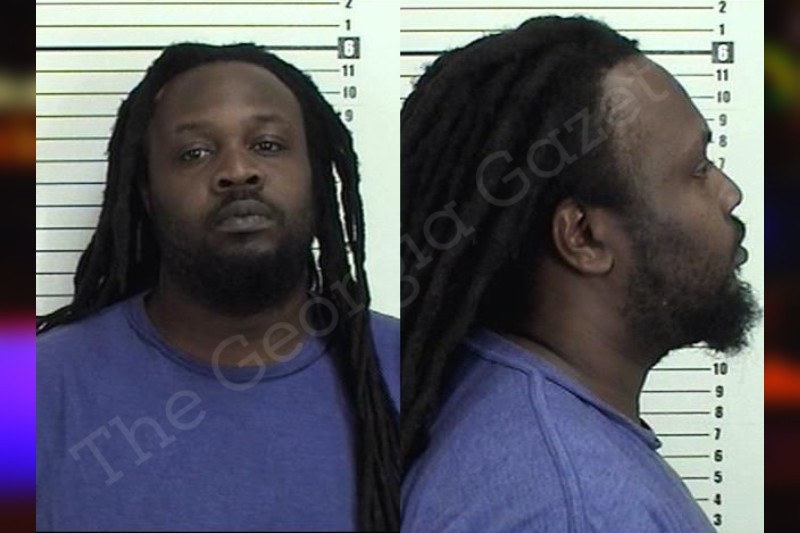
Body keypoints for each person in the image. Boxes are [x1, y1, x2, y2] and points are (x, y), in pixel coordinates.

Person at [401, 16, 761, 533]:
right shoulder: (577, 507)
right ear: (583, 237)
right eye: (698, 169)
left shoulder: (498, 406)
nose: (729, 195)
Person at [36, 43, 399, 532]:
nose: (237, 171)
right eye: (195, 153)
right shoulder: (29, 389)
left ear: (317, 178)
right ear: (146, 193)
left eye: (267, 144)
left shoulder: (414, 373)